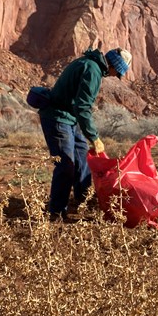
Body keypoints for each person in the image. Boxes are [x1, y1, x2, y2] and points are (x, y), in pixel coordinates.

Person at [38, 47, 132, 220]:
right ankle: (57, 212)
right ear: (112, 65)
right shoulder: (92, 70)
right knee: (66, 165)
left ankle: (84, 201)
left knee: (82, 157)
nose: (113, 76)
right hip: (58, 118)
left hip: (69, 119)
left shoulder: (91, 65)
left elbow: (78, 107)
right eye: (116, 72)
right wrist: (94, 137)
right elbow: (82, 107)